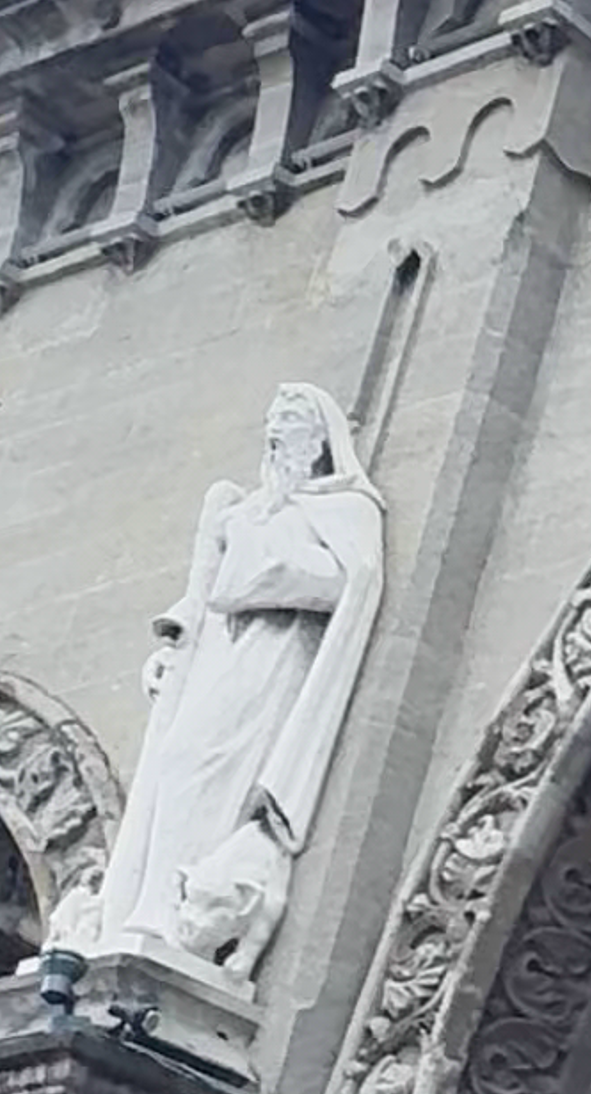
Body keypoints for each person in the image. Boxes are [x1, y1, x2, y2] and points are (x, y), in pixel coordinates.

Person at [88, 386, 387, 990]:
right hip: (222, 660)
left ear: (319, 442)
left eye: (290, 428)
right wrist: (174, 651)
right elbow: (203, 598)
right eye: (271, 427)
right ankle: (149, 908)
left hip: (276, 666)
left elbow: (348, 583)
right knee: (174, 764)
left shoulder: (344, 508)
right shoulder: (246, 508)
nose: (276, 439)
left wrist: (260, 560)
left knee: (209, 767)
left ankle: (186, 913)